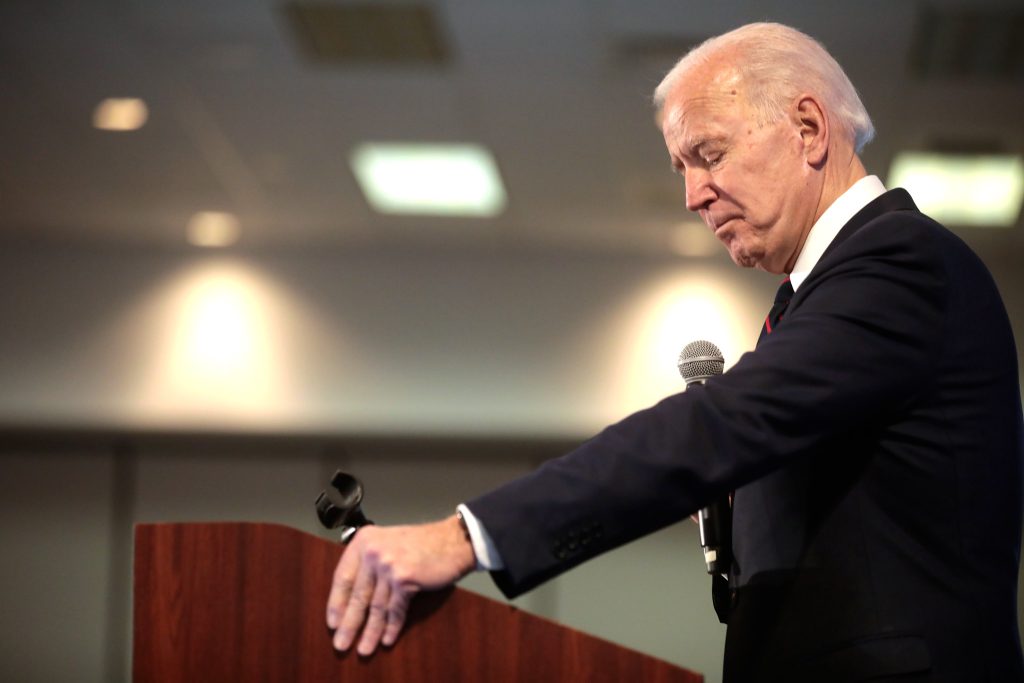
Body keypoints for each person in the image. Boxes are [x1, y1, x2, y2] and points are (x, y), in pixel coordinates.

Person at [325, 22, 1024, 682]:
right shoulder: (816, 299)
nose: (692, 195)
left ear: (808, 129)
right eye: (681, 167)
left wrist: (465, 537)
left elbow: (720, 426)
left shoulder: (900, 261)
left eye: (709, 154)